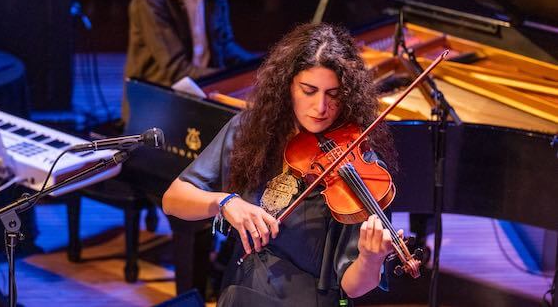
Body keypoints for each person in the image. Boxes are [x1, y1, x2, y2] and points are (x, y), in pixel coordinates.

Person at [162, 23, 400, 306]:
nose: (320, 107)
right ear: (288, 84)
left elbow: (353, 286)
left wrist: (371, 258)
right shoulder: (250, 131)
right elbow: (173, 199)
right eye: (308, 90)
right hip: (240, 291)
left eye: (333, 94)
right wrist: (224, 203)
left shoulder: (362, 168)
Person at [122, 0, 255, 121]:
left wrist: (260, 68)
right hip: (160, 104)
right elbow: (177, 71)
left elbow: (225, 45)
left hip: (202, 91)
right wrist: (230, 81)